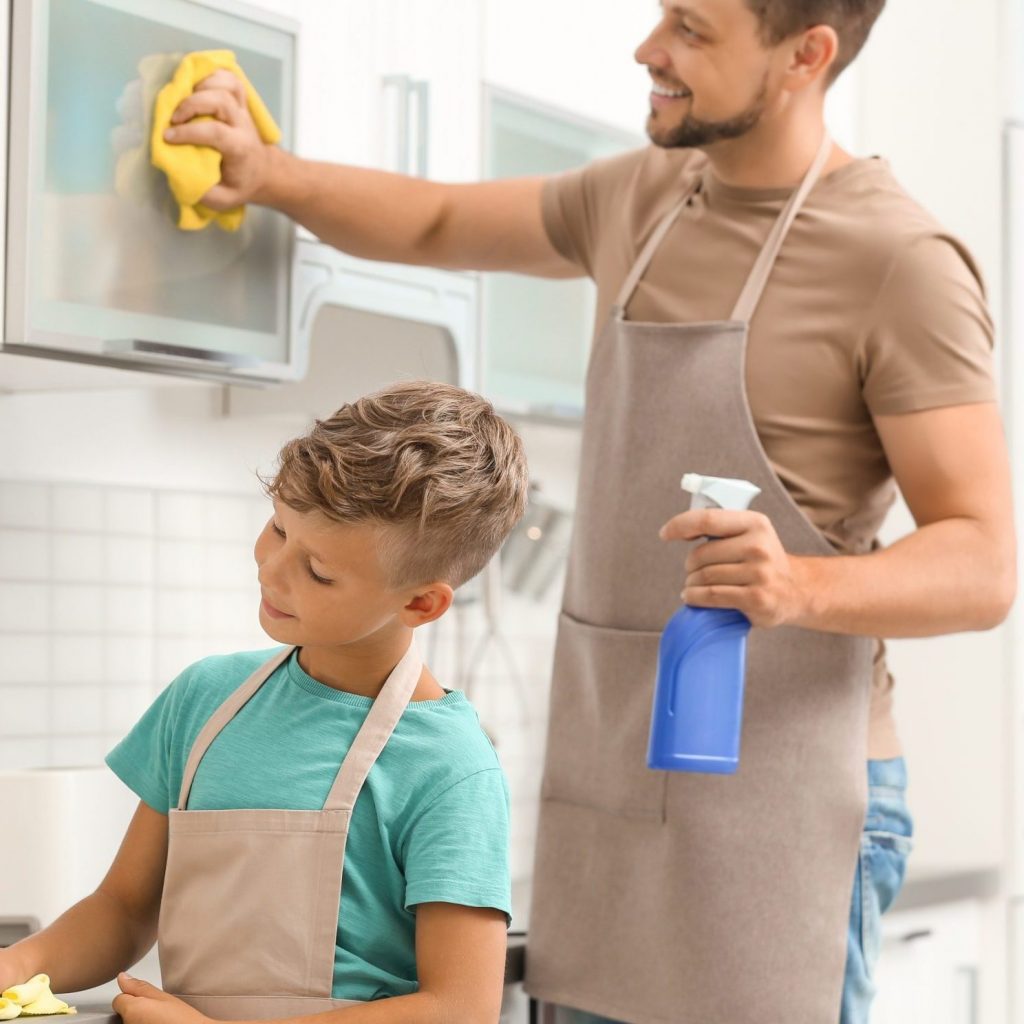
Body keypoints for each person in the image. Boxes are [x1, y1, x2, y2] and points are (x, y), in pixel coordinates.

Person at [153, 1, 1017, 1020]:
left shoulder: (898, 262)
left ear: (805, 55)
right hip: (607, 794)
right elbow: (436, 222)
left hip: (786, 808)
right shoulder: (640, 196)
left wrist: (797, 583)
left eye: (693, 30)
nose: (648, 49)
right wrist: (269, 174)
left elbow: (984, 562)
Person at [0, 381, 530, 1024]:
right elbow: (124, 908)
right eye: (278, 527)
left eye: (320, 571)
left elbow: (459, 1008)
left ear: (420, 603)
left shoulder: (449, 767)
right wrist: (18, 966)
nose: (273, 569)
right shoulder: (203, 701)